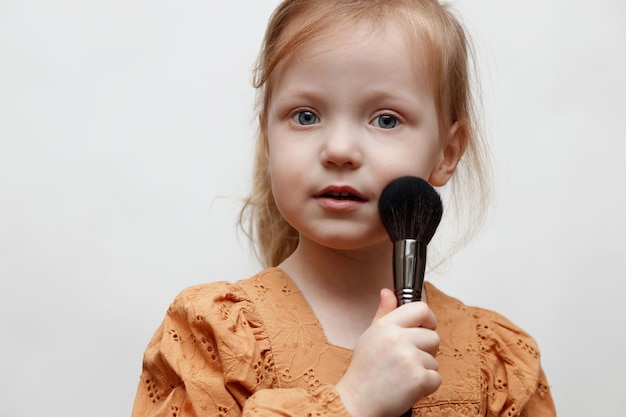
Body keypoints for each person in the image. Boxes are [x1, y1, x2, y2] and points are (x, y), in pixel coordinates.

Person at [132, 0, 556, 416]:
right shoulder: (212, 337)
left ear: (447, 153)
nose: (339, 150)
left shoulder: (495, 360)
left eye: (386, 120)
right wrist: (352, 402)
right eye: (305, 116)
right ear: (266, 138)